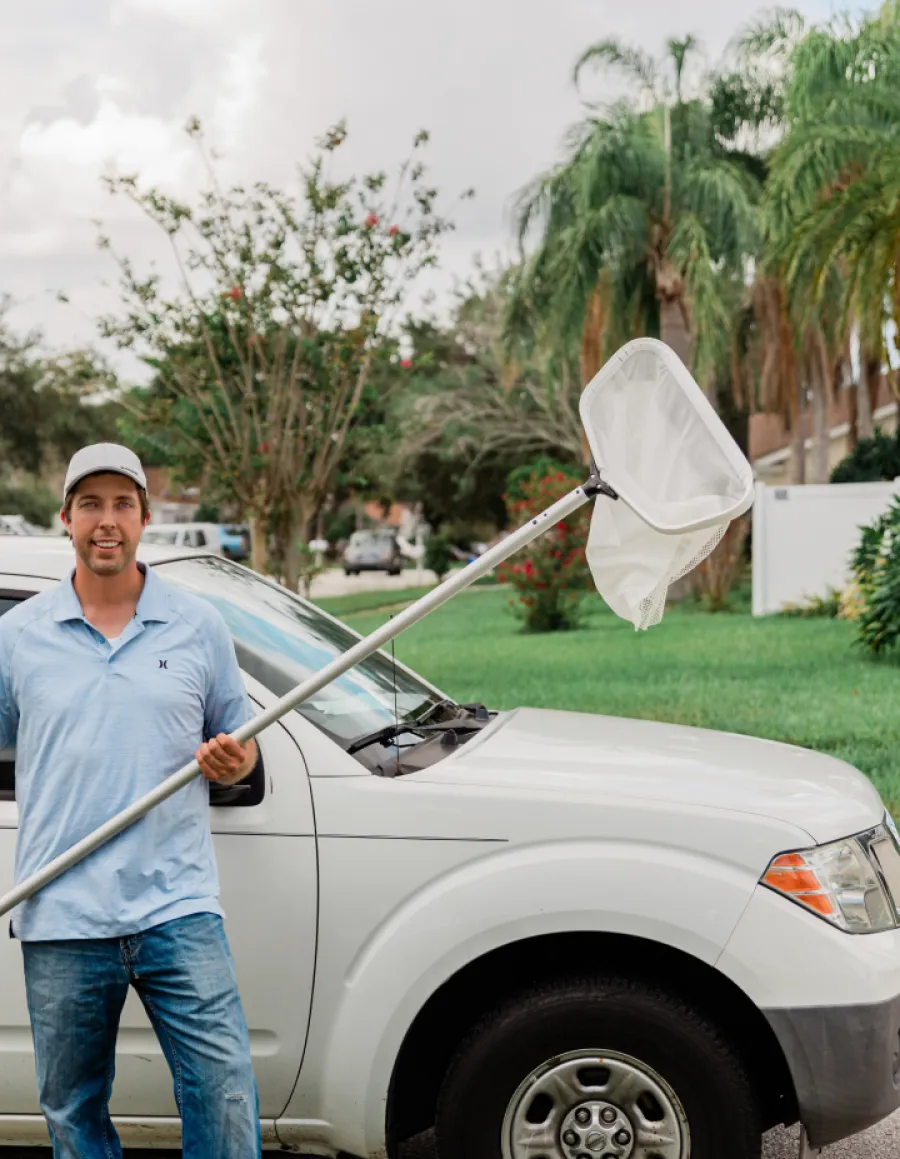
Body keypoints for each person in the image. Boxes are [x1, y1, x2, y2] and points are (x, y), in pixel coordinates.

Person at [0, 443, 262, 1159]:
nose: (106, 520)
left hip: (176, 905)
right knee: (74, 1111)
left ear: (145, 518)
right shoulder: (18, 635)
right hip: (61, 911)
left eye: (122, 504)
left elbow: (243, 741)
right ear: (66, 518)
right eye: (91, 504)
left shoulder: (197, 623)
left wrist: (235, 757)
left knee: (226, 1089)